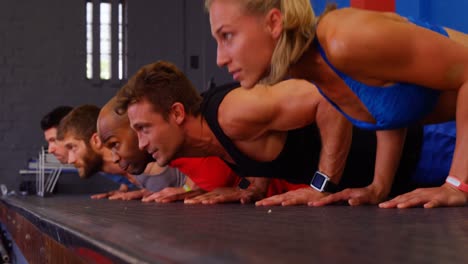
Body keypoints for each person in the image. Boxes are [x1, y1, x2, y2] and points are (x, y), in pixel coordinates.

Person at [205, 0, 468, 208]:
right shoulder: (311, 69)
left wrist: (456, 185)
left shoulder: (344, 39)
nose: (219, 58)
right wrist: (379, 187)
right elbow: (390, 106)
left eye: (227, 36)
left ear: (273, 23)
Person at [114, 61, 452, 206]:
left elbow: (325, 99)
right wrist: (248, 187)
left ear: (176, 113)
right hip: (398, 178)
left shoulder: (231, 113)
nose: (141, 143)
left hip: (426, 145)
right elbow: (269, 147)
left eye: (144, 129)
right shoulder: (210, 140)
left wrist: (321, 186)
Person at [97, 96, 242, 203]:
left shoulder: (197, 140)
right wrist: (183, 190)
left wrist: (249, 188)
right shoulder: (173, 157)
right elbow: (195, 185)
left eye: (115, 144)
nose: (114, 158)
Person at [56, 104, 187, 200]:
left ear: (96, 140)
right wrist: (143, 191)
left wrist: (188, 189)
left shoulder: (151, 158)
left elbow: (196, 183)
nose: (70, 160)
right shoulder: (129, 175)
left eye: (73, 147)